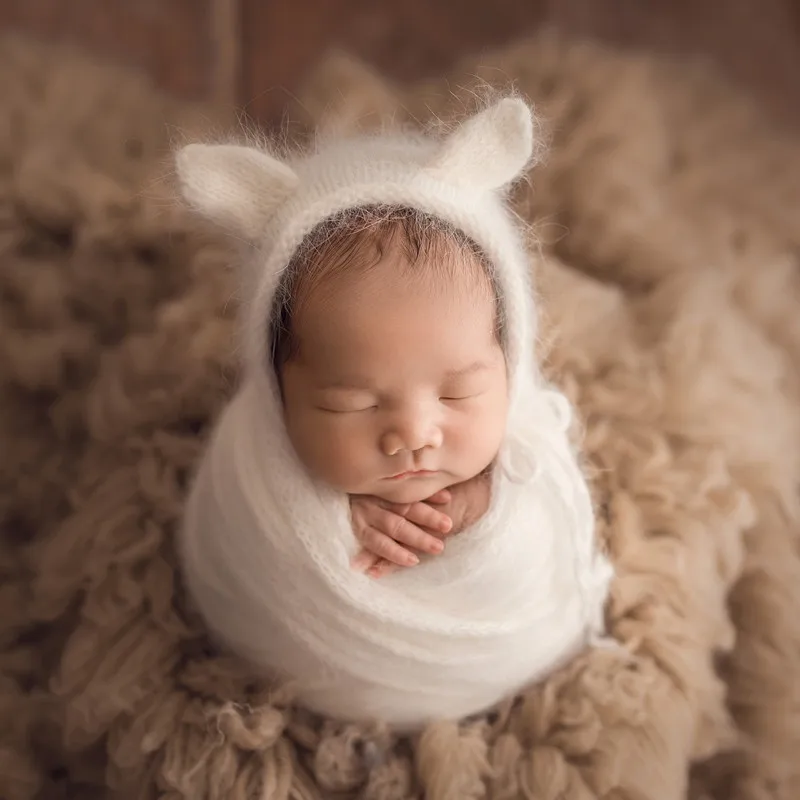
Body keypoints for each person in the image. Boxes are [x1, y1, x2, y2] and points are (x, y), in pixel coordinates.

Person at [270, 204, 501, 578]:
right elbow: (234, 543)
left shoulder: (526, 448)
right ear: (277, 394)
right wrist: (330, 520)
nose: (412, 435)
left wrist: (484, 504)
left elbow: (556, 518)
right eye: (351, 404)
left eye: (457, 393)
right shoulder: (254, 467)